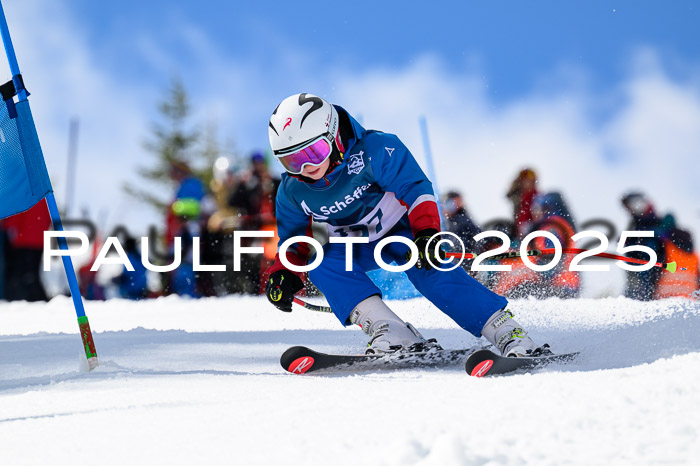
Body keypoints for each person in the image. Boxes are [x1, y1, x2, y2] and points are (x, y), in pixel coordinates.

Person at [263, 93, 550, 357]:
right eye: (292, 161)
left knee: (428, 267)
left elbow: (416, 189)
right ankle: (392, 331)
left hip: (403, 232)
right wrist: (284, 273)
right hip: (355, 245)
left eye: (314, 152)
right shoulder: (293, 191)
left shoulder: (376, 149)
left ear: (334, 135)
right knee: (321, 261)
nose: (307, 168)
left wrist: (427, 233)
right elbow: (295, 243)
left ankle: (505, 330)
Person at [620, 192, 666, 301]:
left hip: (649, 281)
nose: (629, 210)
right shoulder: (637, 225)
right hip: (641, 280)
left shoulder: (654, 225)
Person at [506, 168, 538, 239]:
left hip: (533, 228)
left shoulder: (537, 196)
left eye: (529, 180)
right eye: (524, 180)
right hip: (519, 229)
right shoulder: (518, 196)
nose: (526, 182)